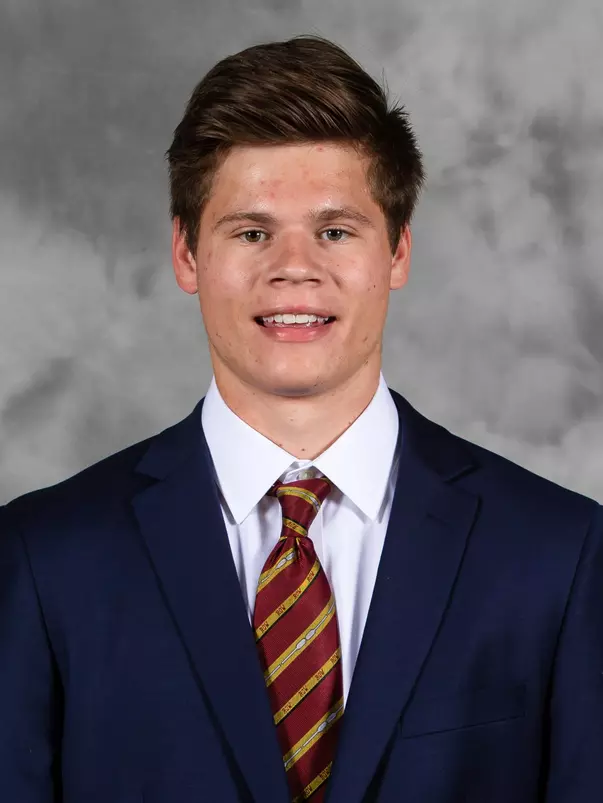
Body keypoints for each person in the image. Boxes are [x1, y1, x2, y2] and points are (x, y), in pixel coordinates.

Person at [1, 33, 602, 803]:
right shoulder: (42, 560)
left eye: (334, 230)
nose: (294, 266)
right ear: (186, 253)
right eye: (251, 231)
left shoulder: (557, 556)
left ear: (396, 253)